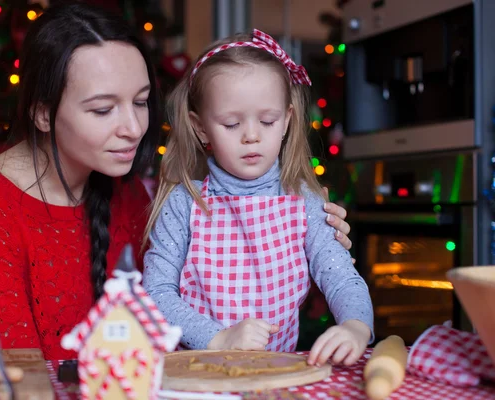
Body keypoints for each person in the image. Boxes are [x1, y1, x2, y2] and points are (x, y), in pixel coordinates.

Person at [0, 4, 353, 361]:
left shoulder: (129, 191)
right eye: (103, 110)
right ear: (43, 113)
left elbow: (177, 302)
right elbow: (17, 368)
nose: (134, 127)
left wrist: (299, 240)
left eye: (140, 102)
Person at [143, 29, 373, 367]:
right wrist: (218, 338)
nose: (252, 136)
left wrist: (356, 325)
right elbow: (155, 293)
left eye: (267, 120)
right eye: (232, 124)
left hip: (275, 374)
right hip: (196, 373)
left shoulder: (304, 202)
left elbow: (340, 277)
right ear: (201, 127)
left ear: (287, 122)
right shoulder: (184, 204)